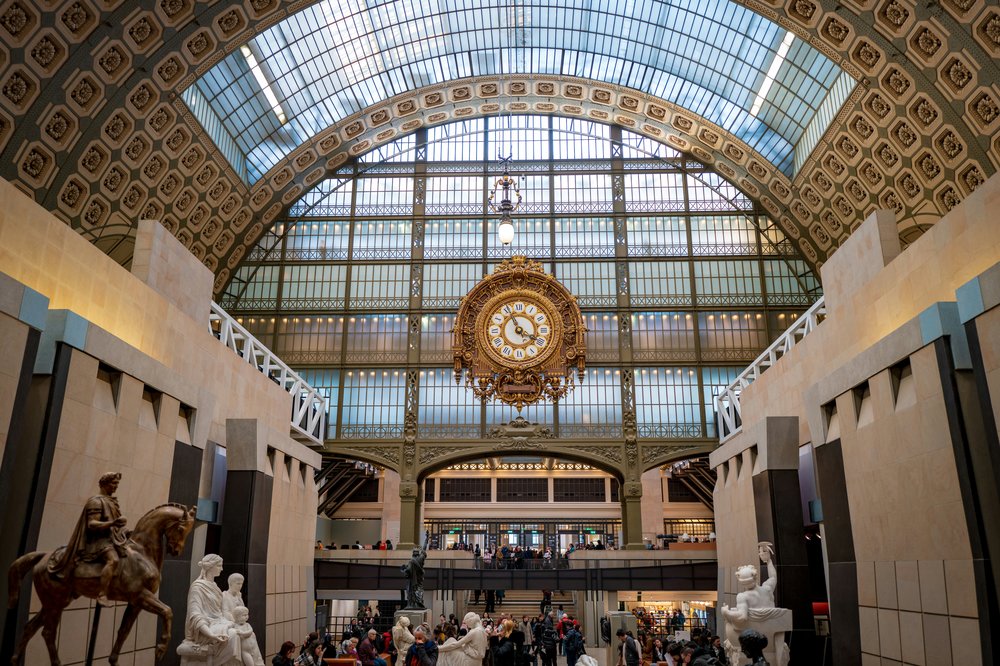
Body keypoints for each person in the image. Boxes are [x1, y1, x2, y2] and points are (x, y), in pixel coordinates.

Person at [48, 471, 130, 606]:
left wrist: (124, 531)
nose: (116, 486)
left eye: (117, 484)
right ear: (104, 484)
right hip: (97, 542)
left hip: (111, 539)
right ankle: (102, 594)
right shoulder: (96, 502)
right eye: (113, 483)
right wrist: (113, 523)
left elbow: (114, 527)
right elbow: (92, 524)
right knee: (113, 560)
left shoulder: (111, 501)